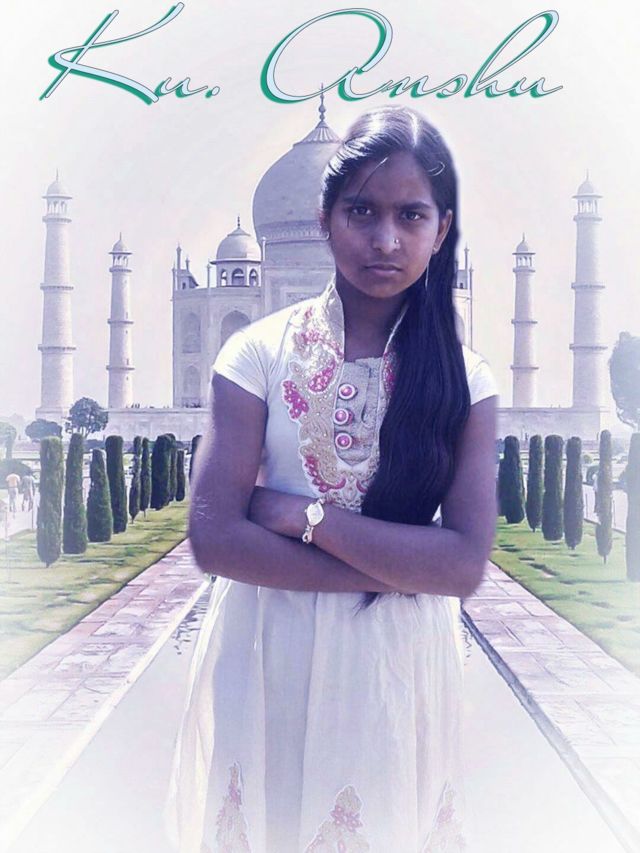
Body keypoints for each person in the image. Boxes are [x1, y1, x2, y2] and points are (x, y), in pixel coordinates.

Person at [164, 105, 499, 852]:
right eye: (362, 212)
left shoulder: (464, 379)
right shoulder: (255, 352)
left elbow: (462, 565)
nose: (385, 240)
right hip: (270, 650)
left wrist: (303, 518)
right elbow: (215, 540)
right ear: (323, 221)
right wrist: (400, 569)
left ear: (441, 229)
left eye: (411, 215)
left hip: (395, 664)